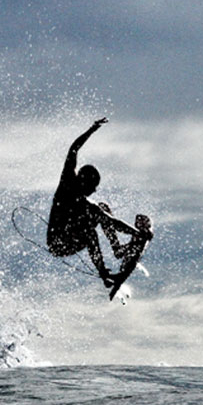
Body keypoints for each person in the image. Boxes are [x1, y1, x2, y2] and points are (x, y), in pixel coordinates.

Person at [47, 118, 152, 287]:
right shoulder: (67, 183)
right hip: (58, 243)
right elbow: (73, 149)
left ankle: (117, 250)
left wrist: (136, 233)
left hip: (72, 234)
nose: (95, 191)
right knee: (90, 232)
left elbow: (112, 222)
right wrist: (91, 130)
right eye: (93, 186)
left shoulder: (87, 204)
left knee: (102, 209)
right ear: (84, 181)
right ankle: (103, 273)